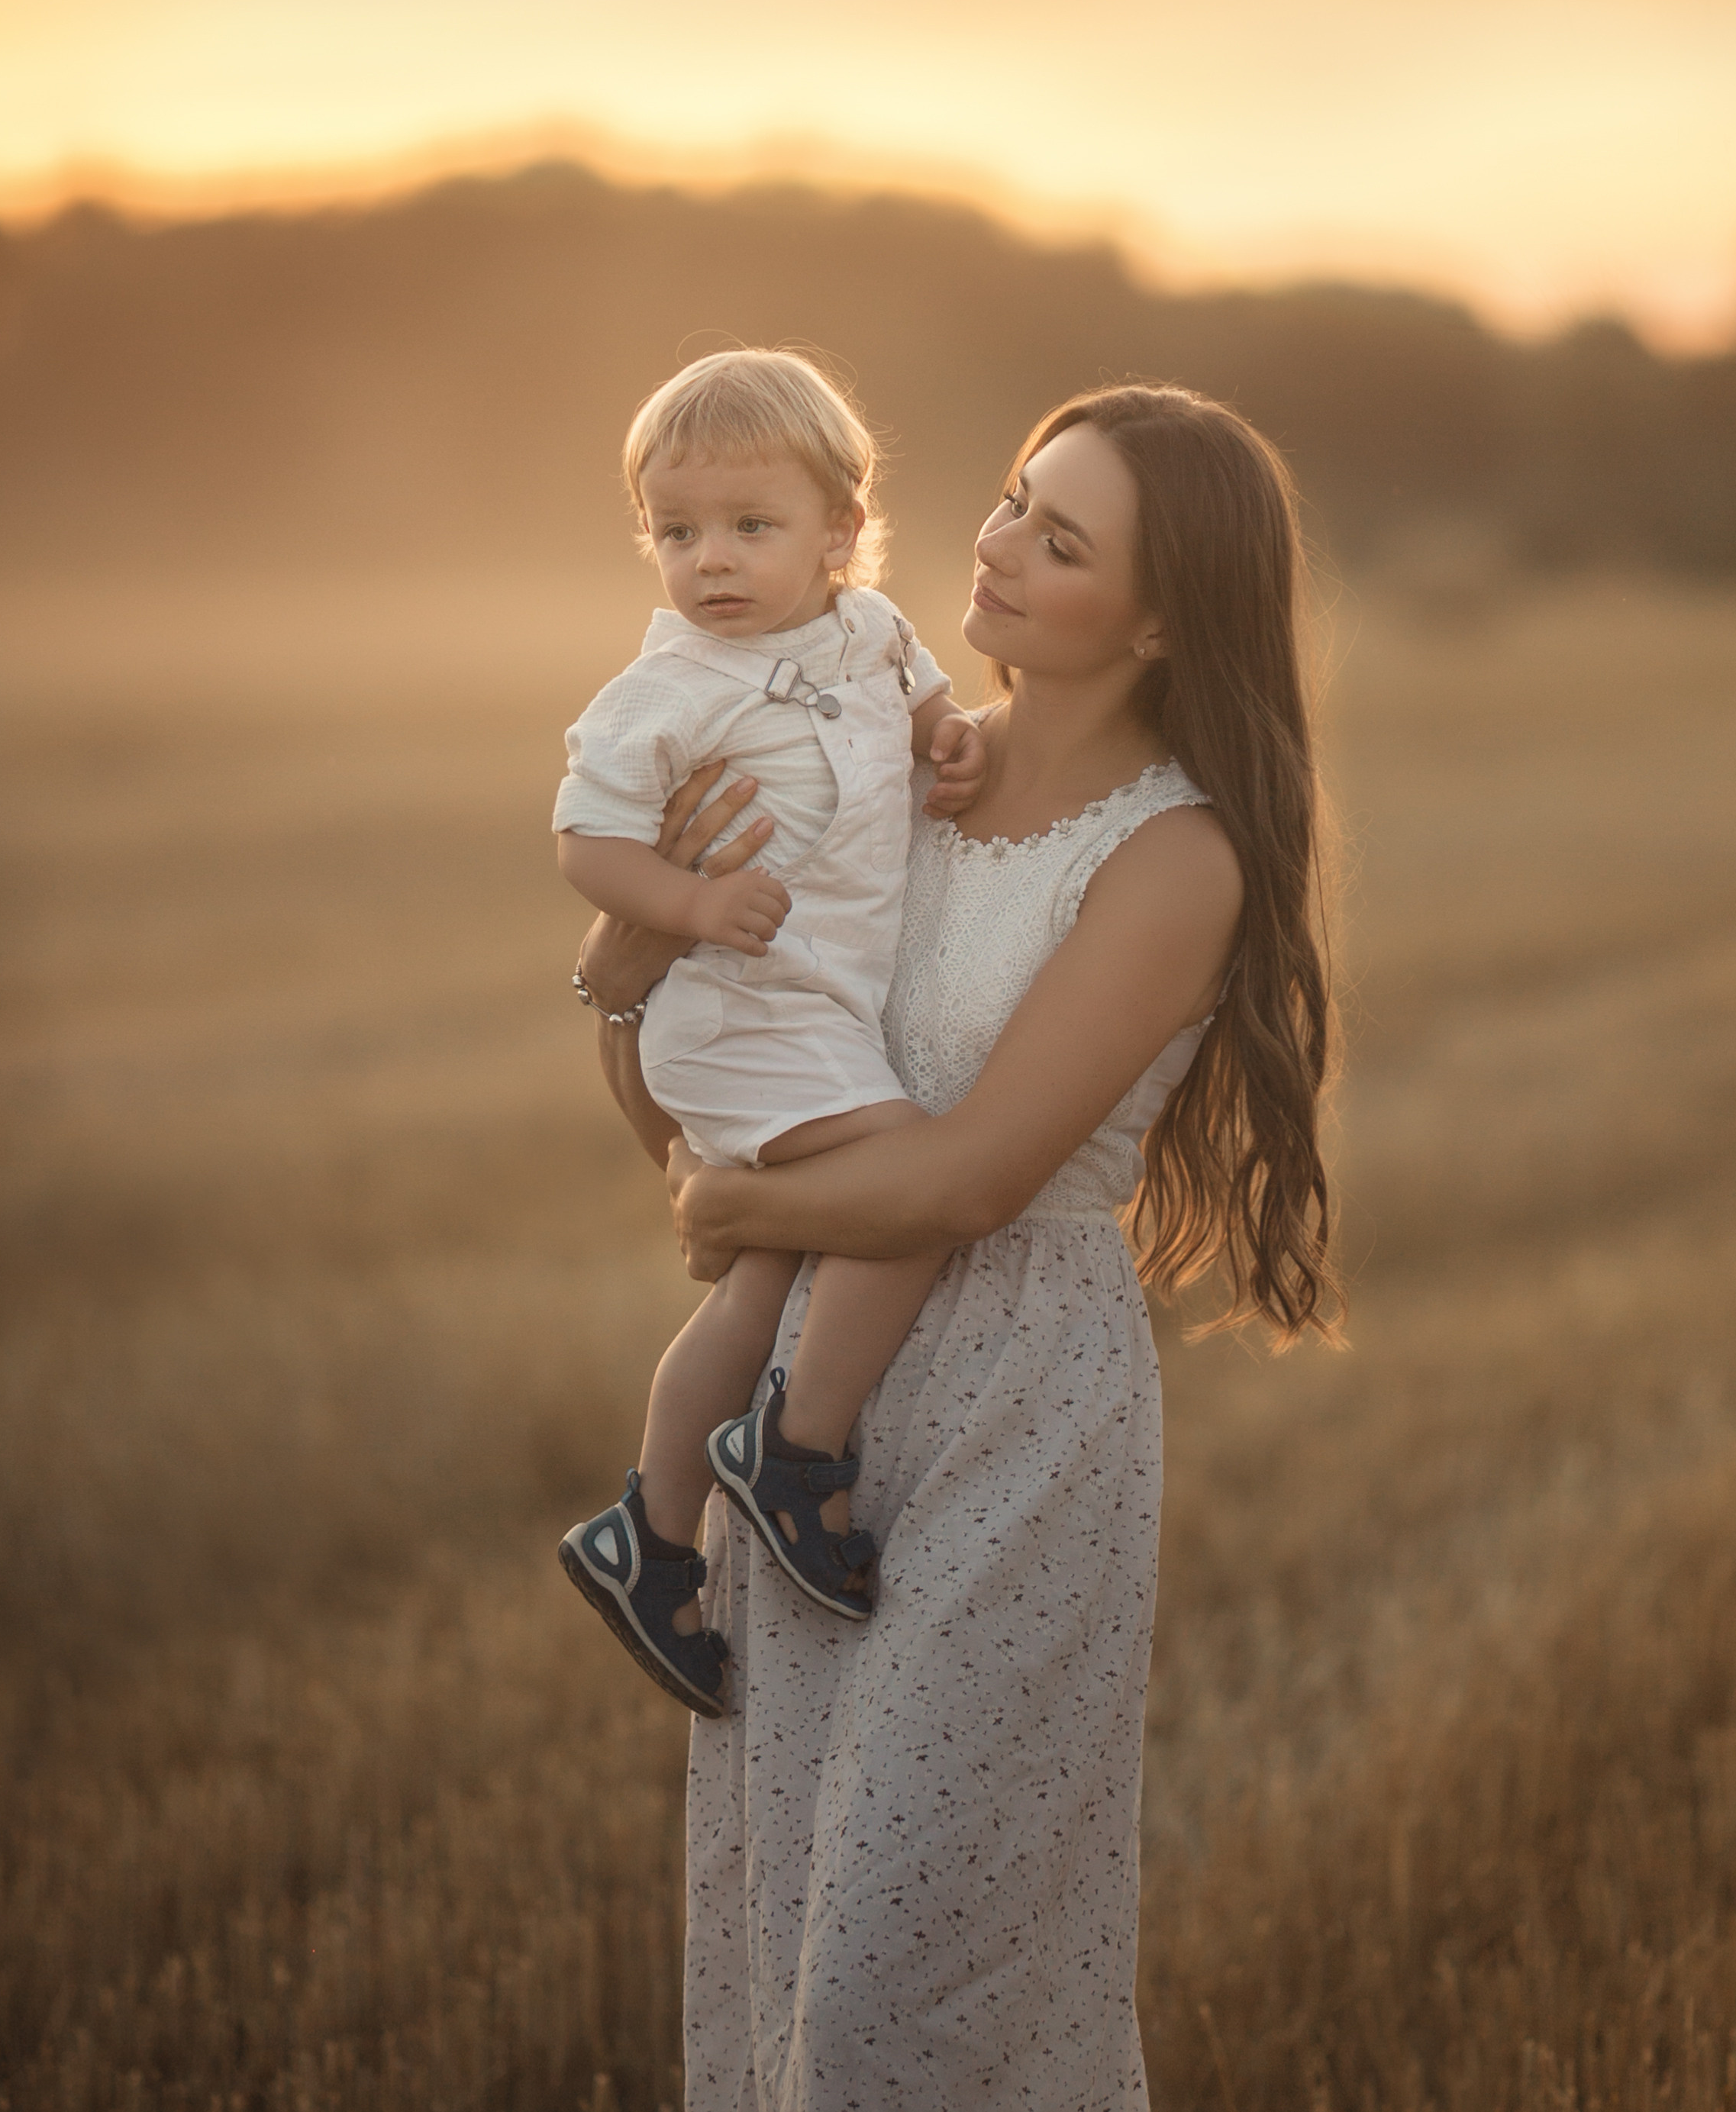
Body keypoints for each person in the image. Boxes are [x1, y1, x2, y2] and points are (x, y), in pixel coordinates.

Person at [573, 380, 1342, 2108]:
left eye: (1058, 540)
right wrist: (623, 979)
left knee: (898, 1997)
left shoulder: (1175, 859)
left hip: (1014, 1411)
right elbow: (694, 1141)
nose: (992, 545)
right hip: (809, 1406)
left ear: (1155, 619)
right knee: (787, 1960)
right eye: (1008, 498)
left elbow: (969, 1181)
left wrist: (746, 1208)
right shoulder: (882, 775)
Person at [556, 352, 989, 1715]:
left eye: (751, 527)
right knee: (912, 1181)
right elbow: (583, 840)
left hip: (815, 1011)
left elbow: (926, 708)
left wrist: (953, 739)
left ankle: (651, 1528)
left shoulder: (873, 632)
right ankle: (795, 1451)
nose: (712, 564)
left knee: (761, 1285)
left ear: (841, 536)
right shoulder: (668, 688)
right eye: (678, 533)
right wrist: (686, 899)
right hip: (740, 1014)